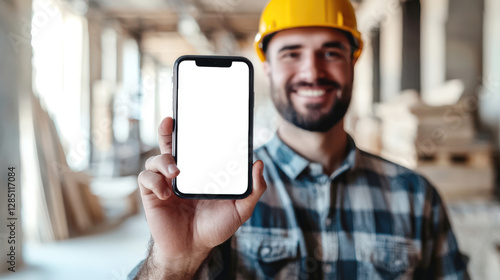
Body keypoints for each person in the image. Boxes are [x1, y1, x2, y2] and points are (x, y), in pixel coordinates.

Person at [128, 0, 469, 279]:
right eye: (291, 53)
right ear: (268, 69)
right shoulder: (216, 196)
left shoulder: (417, 196)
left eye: (331, 52)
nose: (311, 72)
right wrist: (175, 262)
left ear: (353, 62)